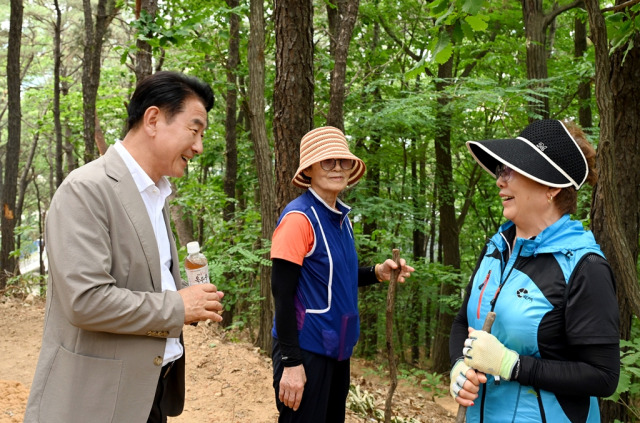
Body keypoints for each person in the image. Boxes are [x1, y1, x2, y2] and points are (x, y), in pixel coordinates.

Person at [24, 71, 225, 423]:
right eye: (194, 130)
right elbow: (86, 301)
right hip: (96, 401)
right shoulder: (86, 189)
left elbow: (137, 283)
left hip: (148, 392)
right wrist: (177, 305)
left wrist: (184, 299)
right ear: (153, 119)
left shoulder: (156, 195)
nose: (198, 147)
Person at [449, 119, 620, 422]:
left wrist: (511, 365)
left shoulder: (584, 265)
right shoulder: (495, 248)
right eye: (501, 170)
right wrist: (458, 368)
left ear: (552, 187)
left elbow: (603, 376)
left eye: (512, 170)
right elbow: (463, 321)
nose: (500, 180)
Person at [270, 126, 415, 423]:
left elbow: (336, 278)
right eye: (327, 161)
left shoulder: (340, 219)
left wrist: (377, 273)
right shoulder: (298, 219)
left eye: (343, 161)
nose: (337, 167)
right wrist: (292, 363)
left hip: (337, 351)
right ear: (309, 169)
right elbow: (282, 296)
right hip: (305, 352)